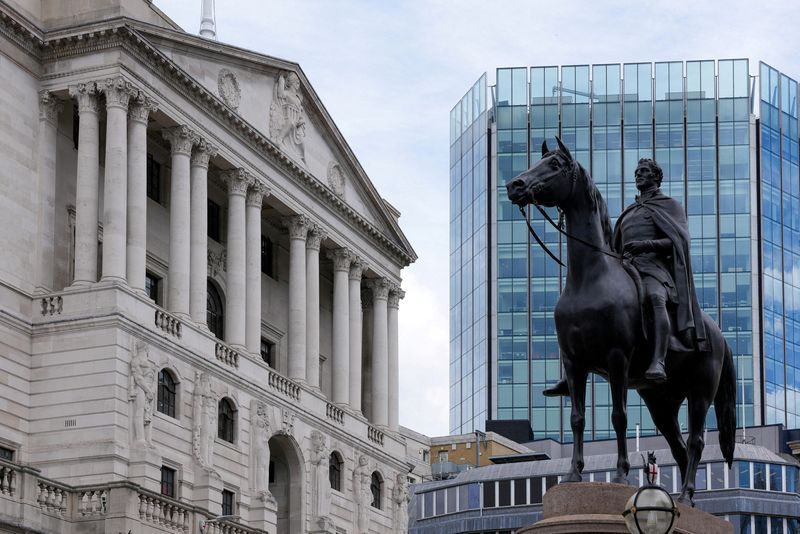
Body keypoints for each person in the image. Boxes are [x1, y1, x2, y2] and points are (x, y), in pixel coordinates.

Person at [544, 158, 707, 396]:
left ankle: (658, 360)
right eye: (637, 172)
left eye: (644, 171)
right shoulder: (630, 212)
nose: (638, 175)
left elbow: (679, 240)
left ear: (656, 177)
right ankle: (570, 375)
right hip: (627, 268)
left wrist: (645, 245)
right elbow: (612, 244)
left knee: (655, 298)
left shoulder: (669, 205)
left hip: (654, 269)